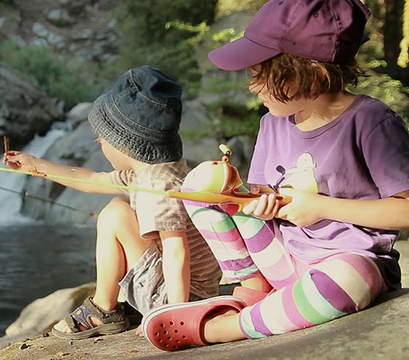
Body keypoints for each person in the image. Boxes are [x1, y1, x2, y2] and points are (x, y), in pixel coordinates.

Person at [142, 0, 409, 351]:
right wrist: (251, 198)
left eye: (258, 74)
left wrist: (320, 207)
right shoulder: (272, 123)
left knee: (346, 281)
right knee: (200, 182)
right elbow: (264, 193)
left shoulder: (371, 122)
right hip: (282, 262)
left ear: (304, 73)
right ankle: (253, 289)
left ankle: (224, 328)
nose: (250, 86)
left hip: (349, 264)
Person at [3, 65, 222, 339]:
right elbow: (91, 179)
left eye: (102, 140)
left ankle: (104, 309)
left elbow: (177, 252)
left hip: (182, 298)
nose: (99, 143)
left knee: (115, 214)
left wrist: (174, 318)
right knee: (118, 210)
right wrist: (36, 165)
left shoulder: (159, 186)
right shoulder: (152, 171)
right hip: (181, 290)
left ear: (124, 144)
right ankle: (116, 306)